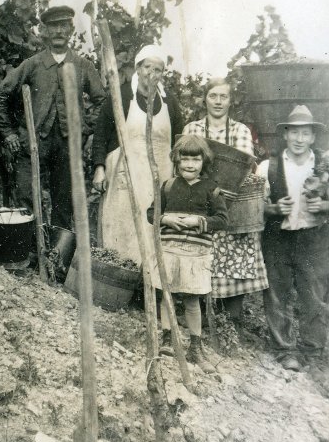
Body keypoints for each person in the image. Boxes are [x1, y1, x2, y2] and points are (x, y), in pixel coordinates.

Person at [0, 6, 105, 230]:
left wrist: (84, 129)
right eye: (53, 26)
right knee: (27, 199)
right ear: (44, 31)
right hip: (33, 143)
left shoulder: (83, 66)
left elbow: (101, 101)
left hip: (68, 146)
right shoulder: (32, 64)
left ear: (71, 29)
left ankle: (58, 257)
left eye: (63, 26)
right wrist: (10, 133)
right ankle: (30, 254)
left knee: (64, 201)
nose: (59, 31)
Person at [183, 77, 268, 327]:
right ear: (205, 99)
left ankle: (231, 320)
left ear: (230, 101)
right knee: (199, 253)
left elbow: (243, 168)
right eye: (213, 96)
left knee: (236, 253)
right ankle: (198, 315)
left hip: (234, 202)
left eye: (223, 97)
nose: (218, 102)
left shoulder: (240, 131)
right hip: (199, 201)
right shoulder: (193, 129)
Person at [92, 45, 183, 265]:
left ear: (163, 74)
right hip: (126, 174)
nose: (152, 72)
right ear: (138, 69)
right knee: (123, 224)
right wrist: (99, 168)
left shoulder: (169, 102)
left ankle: (150, 283)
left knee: (154, 225)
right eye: (147, 67)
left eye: (158, 69)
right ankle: (120, 278)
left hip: (159, 176)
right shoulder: (121, 95)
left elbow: (179, 140)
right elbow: (101, 134)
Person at [257, 106, 329, 371]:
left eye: (306, 133)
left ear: (313, 137)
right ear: (285, 135)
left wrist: (325, 206)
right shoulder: (268, 166)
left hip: (314, 239)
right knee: (278, 294)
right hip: (279, 238)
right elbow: (253, 206)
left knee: (314, 295)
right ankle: (284, 350)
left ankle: (313, 352)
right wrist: (273, 209)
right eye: (294, 133)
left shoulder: (326, 166)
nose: (299, 139)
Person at [147, 135, 228, 370]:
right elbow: (151, 212)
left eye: (195, 159)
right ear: (176, 160)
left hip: (196, 253)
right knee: (167, 295)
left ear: (204, 161)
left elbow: (222, 219)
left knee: (192, 299)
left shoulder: (211, 190)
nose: (190, 165)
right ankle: (167, 339)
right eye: (185, 159)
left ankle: (195, 346)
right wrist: (166, 218)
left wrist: (197, 221)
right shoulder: (168, 186)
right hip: (170, 249)